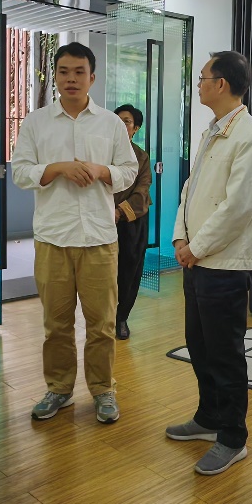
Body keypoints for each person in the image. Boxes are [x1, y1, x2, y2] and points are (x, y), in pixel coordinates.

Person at [11, 42, 139, 425]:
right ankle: (59, 389)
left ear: (91, 78)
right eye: (64, 71)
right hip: (53, 238)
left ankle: (103, 390)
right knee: (56, 325)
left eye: (79, 72)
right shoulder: (36, 122)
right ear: (55, 76)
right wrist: (58, 168)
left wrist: (101, 171)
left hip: (99, 238)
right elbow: (21, 173)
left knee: (102, 324)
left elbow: (129, 171)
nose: (71, 79)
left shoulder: (111, 124)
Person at [165, 51, 252, 476]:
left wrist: (196, 247)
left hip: (225, 265)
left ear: (222, 84)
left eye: (203, 78)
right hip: (198, 260)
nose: (198, 84)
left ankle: (232, 437)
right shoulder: (213, 131)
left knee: (225, 354)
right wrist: (180, 237)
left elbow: (238, 207)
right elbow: (190, 190)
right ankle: (208, 417)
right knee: (199, 345)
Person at [113, 104, 153, 341]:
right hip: (103, 220)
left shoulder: (141, 157)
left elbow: (142, 190)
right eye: (117, 120)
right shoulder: (102, 153)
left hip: (132, 222)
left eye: (126, 121)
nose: (121, 125)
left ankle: (121, 318)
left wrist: (119, 211)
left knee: (129, 271)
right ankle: (103, 317)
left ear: (135, 128)